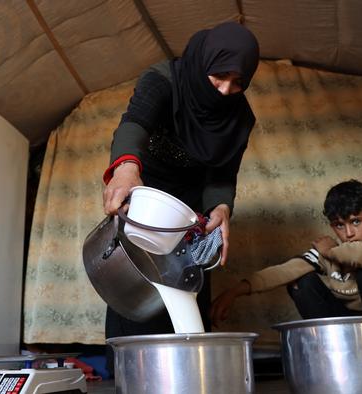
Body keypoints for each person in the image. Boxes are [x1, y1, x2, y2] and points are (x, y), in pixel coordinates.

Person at [101, 21, 260, 372]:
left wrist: (221, 207)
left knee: (187, 282)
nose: (225, 90)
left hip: (190, 206)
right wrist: (126, 168)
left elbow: (222, 172)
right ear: (204, 62)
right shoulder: (163, 80)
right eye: (218, 76)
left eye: (238, 82)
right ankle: (130, 372)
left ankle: (189, 373)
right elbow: (135, 124)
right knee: (138, 283)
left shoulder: (240, 116)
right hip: (146, 192)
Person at [210, 180, 362, 339]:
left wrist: (329, 252)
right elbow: (284, 270)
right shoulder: (330, 252)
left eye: (356, 222)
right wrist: (234, 292)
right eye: (339, 225)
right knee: (300, 281)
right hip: (352, 332)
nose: (348, 233)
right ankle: (335, 346)